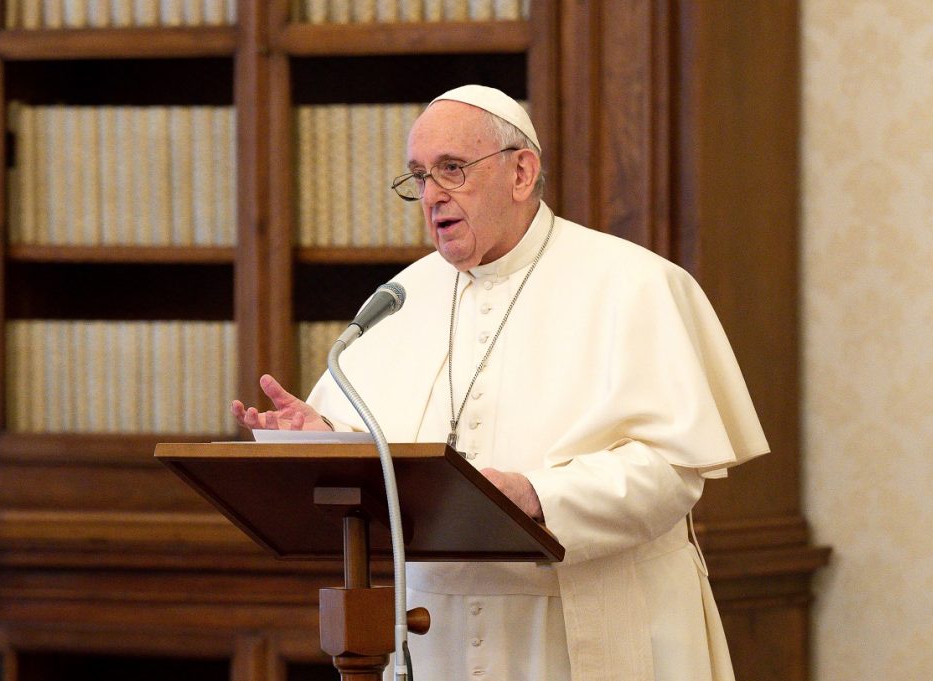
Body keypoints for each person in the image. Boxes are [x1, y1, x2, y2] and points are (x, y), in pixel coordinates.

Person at [231, 85, 769, 681]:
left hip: (583, 630)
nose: (431, 195)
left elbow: (673, 472)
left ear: (521, 172)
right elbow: (385, 470)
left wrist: (539, 497)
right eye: (419, 176)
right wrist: (324, 439)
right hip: (435, 637)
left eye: (452, 170)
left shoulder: (635, 285)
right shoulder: (403, 298)